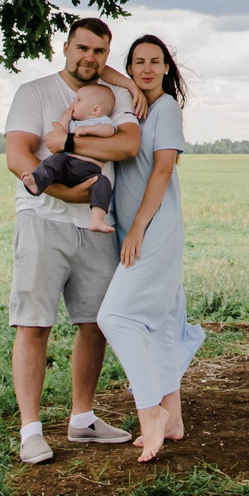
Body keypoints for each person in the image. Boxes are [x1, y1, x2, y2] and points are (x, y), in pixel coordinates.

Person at [3, 19, 141, 463]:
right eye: (83, 48)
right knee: (34, 322)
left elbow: (126, 147)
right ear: (65, 47)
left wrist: (68, 141)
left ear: (106, 55)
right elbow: (19, 153)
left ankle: (83, 419)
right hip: (43, 219)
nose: (90, 57)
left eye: (99, 51)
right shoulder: (36, 93)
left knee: (95, 322)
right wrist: (60, 187)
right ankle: (31, 431)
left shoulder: (116, 96)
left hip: (96, 223)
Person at [94, 33, 206, 463]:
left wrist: (138, 226)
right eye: (137, 62)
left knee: (115, 317)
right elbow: (102, 68)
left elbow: (162, 172)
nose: (145, 68)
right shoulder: (130, 105)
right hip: (134, 228)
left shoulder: (166, 109)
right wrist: (124, 83)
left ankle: (150, 413)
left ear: (166, 68)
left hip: (154, 228)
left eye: (154, 61)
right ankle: (173, 417)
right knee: (158, 323)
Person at [28, 82, 122, 233]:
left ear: (95, 109)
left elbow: (109, 131)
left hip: (91, 172)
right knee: (54, 160)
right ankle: (37, 181)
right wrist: (65, 119)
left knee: (103, 184)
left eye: (78, 100)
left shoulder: (102, 121)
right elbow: (61, 134)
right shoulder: (74, 123)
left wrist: (88, 130)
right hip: (68, 164)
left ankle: (96, 219)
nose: (73, 103)